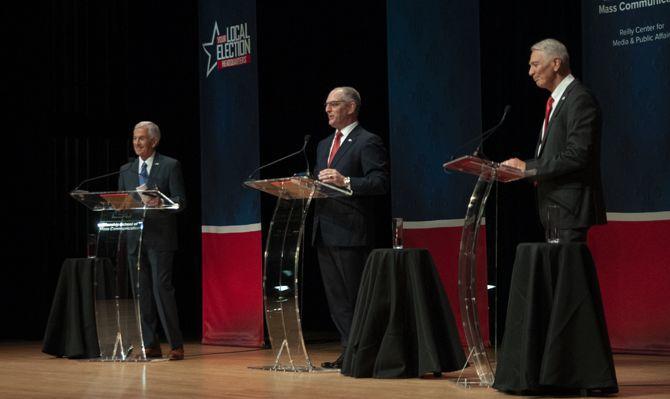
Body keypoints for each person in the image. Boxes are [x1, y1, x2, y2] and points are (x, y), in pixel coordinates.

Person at [312, 86, 389, 369]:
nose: (327, 109)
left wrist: (345, 181)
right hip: (324, 229)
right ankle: (349, 352)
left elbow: (379, 182)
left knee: (356, 296)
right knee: (337, 300)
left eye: (333, 104)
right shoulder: (322, 145)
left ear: (351, 107)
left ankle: (367, 354)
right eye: (326, 104)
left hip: (351, 231)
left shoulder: (367, 141)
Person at [502, 38, 606, 242]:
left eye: (535, 64)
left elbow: (577, 155)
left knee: (570, 272)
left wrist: (527, 168)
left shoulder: (580, 99)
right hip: (554, 209)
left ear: (556, 63)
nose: (530, 72)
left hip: (570, 209)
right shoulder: (557, 101)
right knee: (560, 272)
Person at [118, 121, 186, 360]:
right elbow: (124, 204)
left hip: (161, 239)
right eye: (135, 138)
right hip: (135, 239)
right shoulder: (126, 170)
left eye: (142, 138)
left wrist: (162, 202)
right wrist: (120, 206)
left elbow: (180, 202)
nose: (137, 143)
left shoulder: (170, 166)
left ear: (154, 141)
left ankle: (176, 344)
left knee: (161, 289)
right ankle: (150, 344)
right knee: (142, 292)